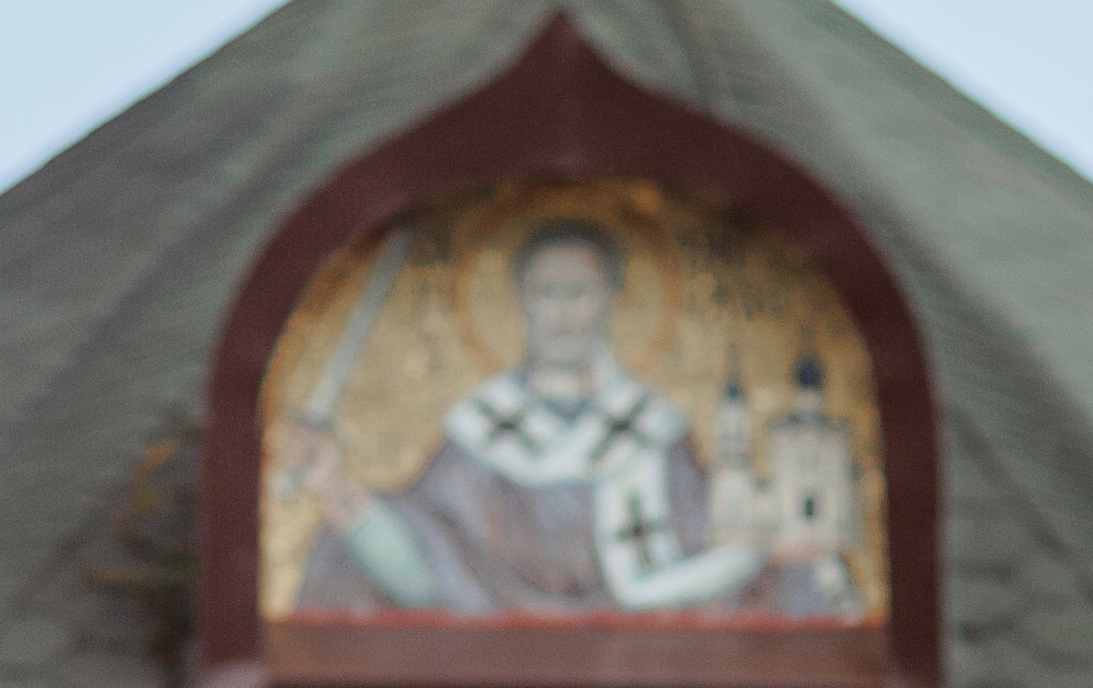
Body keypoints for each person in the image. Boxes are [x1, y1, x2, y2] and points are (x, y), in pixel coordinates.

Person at [288, 220, 849, 619]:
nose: (562, 312)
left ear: (613, 298)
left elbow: (714, 568)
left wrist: (782, 552)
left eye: (579, 292)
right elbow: (428, 574)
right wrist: (333, 487)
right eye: (546, 292)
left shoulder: (655, 432)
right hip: (490, 667)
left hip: (644, 671)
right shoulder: (479, 433)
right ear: (519, 301)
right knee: (337, 548)